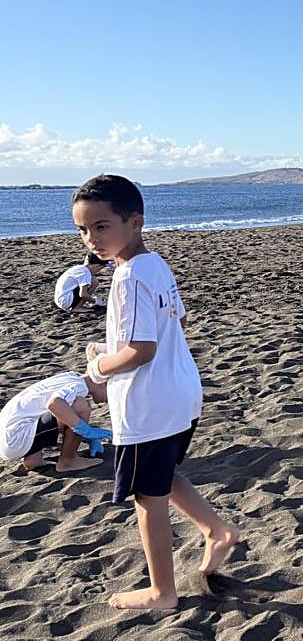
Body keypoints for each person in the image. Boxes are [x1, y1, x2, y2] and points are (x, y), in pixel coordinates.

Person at [73, 174, 239, 610]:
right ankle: (217, 531)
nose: (91, 239)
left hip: (149, 403)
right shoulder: (156, 264)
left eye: (101, 227)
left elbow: (140, 351)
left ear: (135, 222)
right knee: (160, 475)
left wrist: (97, 365)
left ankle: (162, 592)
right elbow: (177, 324)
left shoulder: (128, 278)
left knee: (148, 498)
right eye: (83, 230)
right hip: (181, 392)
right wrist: (113, 351)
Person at [0, 369, 110, 473]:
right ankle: (68, 461)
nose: (110, 399)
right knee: (80, 405)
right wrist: (87, 431)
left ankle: (33, 459)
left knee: (46, 409)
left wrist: (87, 438)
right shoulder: (80, 386)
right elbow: (54, 404)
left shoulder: (71, 376)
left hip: (9, 437)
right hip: (15, 439)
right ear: (102, 382)